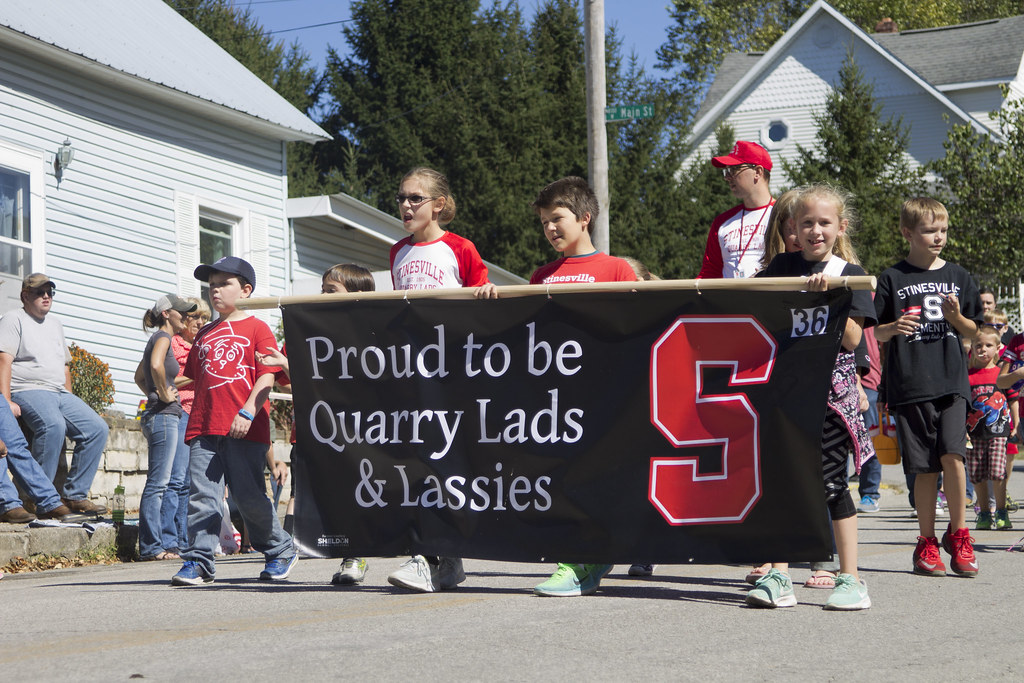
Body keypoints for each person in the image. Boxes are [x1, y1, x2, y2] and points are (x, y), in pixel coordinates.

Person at [748, 183, 874, 610]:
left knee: (832, 483)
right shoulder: (782, 265)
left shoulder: (852, 273)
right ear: (793, 228)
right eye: (807, 223)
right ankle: (779, 576)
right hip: (786, 392)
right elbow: (748, 305)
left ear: (840, 227)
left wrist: (831, 293)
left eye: (824, 223)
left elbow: (854, 339)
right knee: (784, 482)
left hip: (831, 398)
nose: (815, 231)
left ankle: (851, 578)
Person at [526, 176, 636, 597]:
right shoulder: (542, 275)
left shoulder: (615, 269)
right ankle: (578, 557)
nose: (551, 228)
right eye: (544, 222)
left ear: (585, 217)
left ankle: (583, 559)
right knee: (563, 477)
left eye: (558, 218)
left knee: (595, 478)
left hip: (602, 396)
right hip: (555, 398)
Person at [385, 167, 494, 593]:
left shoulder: (461, 248)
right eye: (401, 198)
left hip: (454, 374)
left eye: (415, 198)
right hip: (414, 373)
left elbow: (482, 301)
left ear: (439, 205)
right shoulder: (397, 252)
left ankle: (436, 554)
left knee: (448, 460)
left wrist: (484, 297)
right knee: (420, 461)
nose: (406, 206)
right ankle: (441, 557)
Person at [170, 256, 297, 586]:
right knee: (202, 496)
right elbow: (196, 379)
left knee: (248, 496)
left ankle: (279, 549)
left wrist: (247, 411)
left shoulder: (257, 327)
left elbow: (267, 377)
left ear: (245, 289)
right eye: (211, 285)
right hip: (203, 426)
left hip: (245, 426)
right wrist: (159, 383)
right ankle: (199, 561)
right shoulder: (205, 334)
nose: (215, 291)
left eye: (224, 284)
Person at [874, 197, 982, 578]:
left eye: (943, 230)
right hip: (911, 383)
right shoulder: (892, 278)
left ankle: (960, 533)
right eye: (929, 230)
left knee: (953, 455)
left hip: (952, 382)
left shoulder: (959, 275)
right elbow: (874, 330)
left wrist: (957, 318)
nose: (939, 237)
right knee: (924, 468)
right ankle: (926, 542)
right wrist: (890, 329)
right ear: (907, 233)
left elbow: (976, 331)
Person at [256, 263, 377, 586]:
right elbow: (290, 383)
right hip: (311, 431)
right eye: (323, 289)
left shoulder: (371, 331)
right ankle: (291, 545)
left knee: (355, 491)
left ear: (358, 296)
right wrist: (285, 364)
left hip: (356, 430)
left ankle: (356, 554)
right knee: (309, 491)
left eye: (331, 290)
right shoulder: (307, 327)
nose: (323, 296)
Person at [0, 274, 108, 515]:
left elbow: (65, 366)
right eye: (40, 292)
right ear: (25, 295)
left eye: (50, 291)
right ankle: (37, 497)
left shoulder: (55, 324)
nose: (46, 296)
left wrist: (71, 398)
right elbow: (4, 360)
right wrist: (6, 400)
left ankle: (74, 495)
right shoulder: (13, 319)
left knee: (97, 428)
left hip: (58, 391)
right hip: (28, 389)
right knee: (53, 425)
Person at [133, 294, 197, 561]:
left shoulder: (159, 339)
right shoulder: (162, 338)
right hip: (164, 415)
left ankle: (156, 544)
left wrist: (153, 391)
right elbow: (156, 366)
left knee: (163, 482)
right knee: (159, 483)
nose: (186, 316)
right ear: (167, 314)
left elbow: (139, 376)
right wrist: (163, 393)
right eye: (181, 312)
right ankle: (151, 546)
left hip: (161, 413)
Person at [163, 297, 210, 556]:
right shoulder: (172, 343)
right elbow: (163, 376)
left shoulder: (202, 344)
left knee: (191, 483)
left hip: (199, 415)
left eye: (204, 318)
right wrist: (195, 374)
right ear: (183, 319)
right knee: (176, 479)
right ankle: (168, 539)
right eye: (195, 318)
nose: (200, 322)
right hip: (179, 411)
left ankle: (183, 539)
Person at [697, 141, 775, 279]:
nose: (727, 177)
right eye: (727, 171)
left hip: (772, 299)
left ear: (757, 172)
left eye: (734, 170)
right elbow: (710, 272)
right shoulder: (722, 222)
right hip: (730, 300)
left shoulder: (785, 215)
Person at [966, 326, 1017, 530]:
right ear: (972, 348)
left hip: (999, 432)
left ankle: (1002, 512)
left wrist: (1015, 423)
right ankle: (985, 514)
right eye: (978, 345)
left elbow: (1012, 398)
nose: (983, 350)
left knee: (997, 472)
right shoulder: (967, 375)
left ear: (998, 349)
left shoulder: (1001, 374)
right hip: (974, 433)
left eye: (988, 345)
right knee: (977, 474)